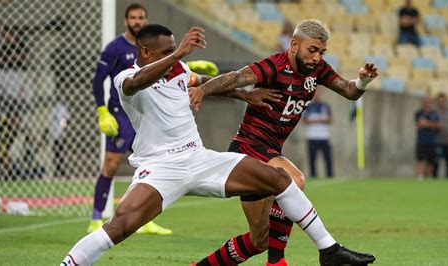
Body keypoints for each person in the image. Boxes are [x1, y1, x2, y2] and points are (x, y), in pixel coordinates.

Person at [60, 24, 376, 266]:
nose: (175, 55)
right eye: (166, 50)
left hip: (199, 158)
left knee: (281, 180)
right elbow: (137, 82)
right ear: (145, 52)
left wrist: (244, 94)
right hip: (160, 167)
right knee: (120, 226)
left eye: (175, 48)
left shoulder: (179, 70)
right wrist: (180, 52)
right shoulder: (127, 78)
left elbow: (200, 82)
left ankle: (329, 250)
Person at [189, 19, 378, 266]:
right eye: (312, 50)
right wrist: (204, 90)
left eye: (322, 52)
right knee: (294, 181)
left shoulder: (317, 71)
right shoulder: (273, 67)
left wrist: (362, 80)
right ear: (294, 44)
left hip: (269, 151)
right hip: (249, 148)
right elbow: (237, 77)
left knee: (259, 240)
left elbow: (349, 91)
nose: (317, 58)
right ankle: (277, 262)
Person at [89, 3, 171, 235]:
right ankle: (96, 218)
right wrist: (101, 111)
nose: (137, 21)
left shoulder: (152, 48)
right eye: (133, 18)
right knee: (112, 164)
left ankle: (145, 220)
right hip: (120, 114)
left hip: (145, 114)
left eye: (141, 17)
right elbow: (98, 80)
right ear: (126, 21)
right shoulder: (115, 48)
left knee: (150, 166)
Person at [303, 90, 334, 178]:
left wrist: (322, 120)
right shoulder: (308, 107)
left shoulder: (325, 106)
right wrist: (317, 120)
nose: (316, 97)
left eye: (318, 95)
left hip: (324, 137)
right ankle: (313, 176)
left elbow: (330, 120)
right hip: (312, 137)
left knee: (328, 158)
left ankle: (330, 176)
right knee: (312, 159)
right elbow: (304, 121)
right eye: (315, 95)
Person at [415, 96, 440, 179]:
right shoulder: (419, 113)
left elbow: (438, 125)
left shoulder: (434, 113)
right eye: (425, 102)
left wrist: (427, 123)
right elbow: (420, 123)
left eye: (428, 102)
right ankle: (419, 176)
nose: (426, 103)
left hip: (432, 140)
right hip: (421, 140)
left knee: (431, 160)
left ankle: (427, 177)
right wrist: (432, 124)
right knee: (420, 159)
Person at [433, 93, 448, 178]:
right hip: (437, 141)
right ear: (437, 101)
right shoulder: (433, 112)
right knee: (436, 162)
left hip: (447, 141)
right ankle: (434, 179)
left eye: (443, 101)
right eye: (440, 101)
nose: (441, 102)